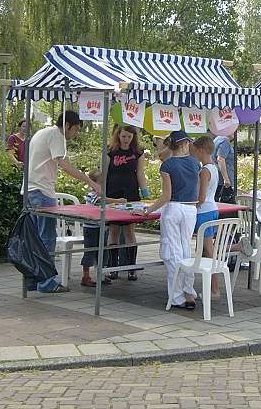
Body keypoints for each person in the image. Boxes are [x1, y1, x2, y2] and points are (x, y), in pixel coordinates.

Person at [26, 111, 100, 294]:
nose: (75, 134)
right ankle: (47, 283)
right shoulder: (57, 136)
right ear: (68, 126)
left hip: (29, 189)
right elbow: (65, 165)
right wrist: (90, 182)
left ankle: (33, 279)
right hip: (42, 191)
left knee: (34, 239)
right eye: (76, 130)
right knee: (47, 238)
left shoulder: (42, 132)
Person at [147, 130, 201, 310]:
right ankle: (189, 291)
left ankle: (177, 297)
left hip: (173, 208)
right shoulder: (195, 163)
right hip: (191, 208)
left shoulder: (167, 166)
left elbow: (166, 196)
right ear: (185, 144)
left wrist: (148, 210)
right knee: (186, 249)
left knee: (172, 251)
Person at [103, 125, 149, 281]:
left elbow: (140, 173)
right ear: (118, 135)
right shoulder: (110, 151)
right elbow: (104, 172)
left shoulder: (138, 152)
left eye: (129, 137)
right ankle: (112, 267)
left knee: (130, 231)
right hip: (113, 193)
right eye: (123, 136)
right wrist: (101, 191)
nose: (126, 139)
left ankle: (131, 267)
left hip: (131, 193)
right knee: (114, 230)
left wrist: (144, 191)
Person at [79, 168, 126, 288]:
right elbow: (101, 201)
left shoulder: (100, 194)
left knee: (103, 251)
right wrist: (117, 201)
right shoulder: (92, 195)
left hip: (101, 227)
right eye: (101, 182)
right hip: (91, 227)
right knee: (90, 251)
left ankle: (102, 273)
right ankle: (86, 275)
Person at [192, 136, 222, 296]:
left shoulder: (204, 171)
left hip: (203, 211)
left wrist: (189, 204)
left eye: (195, 151)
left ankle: (214, 289)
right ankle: (210, 287)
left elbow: (201, 197)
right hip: (212, 209)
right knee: (206, 251)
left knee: (209, 251)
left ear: (201, 150)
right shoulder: (213, 168)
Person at [212, 133, 236, 203]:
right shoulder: (225, 141)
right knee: (227, 207)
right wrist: (226, 179)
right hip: (223, 183)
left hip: (217, 179)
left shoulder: (217, 139)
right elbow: (220, 158)